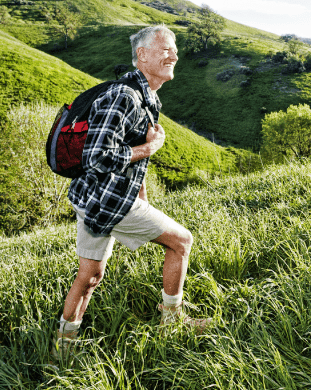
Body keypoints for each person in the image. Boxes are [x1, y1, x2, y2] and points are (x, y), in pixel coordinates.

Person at [53, 25, 211, 363]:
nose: (174, 55)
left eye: (175, 50)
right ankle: (173, 322)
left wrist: (142, 194)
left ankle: (61, 350)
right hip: (109, 201)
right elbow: (97, 157)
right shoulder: (124, 96)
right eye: (165, 49)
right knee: (181, 242)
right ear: (142, 55)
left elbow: (127, 157)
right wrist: (149, 147)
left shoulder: (147, 96)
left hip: (90, 200)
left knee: (90, 276)